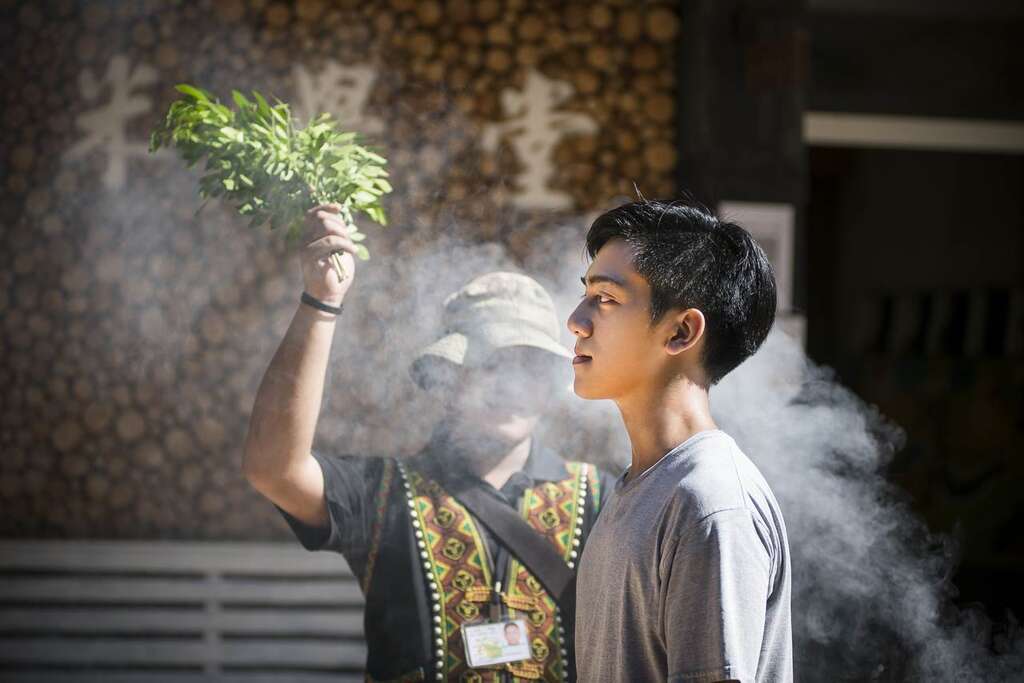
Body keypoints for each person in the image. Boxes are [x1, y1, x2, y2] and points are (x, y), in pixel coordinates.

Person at [243, 203, 614, 682]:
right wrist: (321, 301)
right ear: (447, 376)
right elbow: (273, 469)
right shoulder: (383, 494)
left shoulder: (605, 499)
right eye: (490, 365)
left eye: (530, 366)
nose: (510, 385)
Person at [568, 199, 793, 682]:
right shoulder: (644, 486)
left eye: (605, 299)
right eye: (585, 294)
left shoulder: (708, 503)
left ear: (682, 331)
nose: (576, 320)